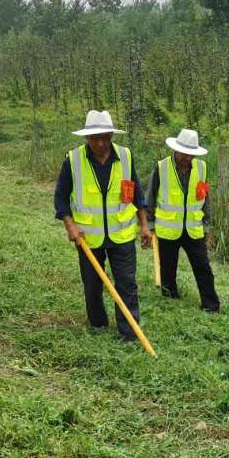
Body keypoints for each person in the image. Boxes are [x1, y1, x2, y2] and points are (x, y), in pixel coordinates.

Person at [54, 110, 153, 340]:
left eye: (105, 137)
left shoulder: (125, 156)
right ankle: (97, 324)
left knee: (127, 283)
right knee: (92, 284)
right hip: (88, 236)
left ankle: (129, 331)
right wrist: (70, 225)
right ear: (86, 137)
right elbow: (60, 198)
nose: (100, 143)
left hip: (122, 234)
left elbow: (137, 194)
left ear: (111, 135)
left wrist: (144, 226)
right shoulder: (73, 160)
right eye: (95, 138)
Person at [148, 128, 220, 312]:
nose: (188, 157)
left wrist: (206, 226)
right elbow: (151, 197)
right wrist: (149, 225)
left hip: (193, 228)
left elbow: (205, 198)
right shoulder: (161, 167)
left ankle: (211, 305)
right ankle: (169, 298)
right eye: (185, 153)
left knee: (203, 267)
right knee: (168, 267)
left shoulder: (201, 168)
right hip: (167, 228)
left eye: (191, 154)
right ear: (176, 149)